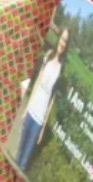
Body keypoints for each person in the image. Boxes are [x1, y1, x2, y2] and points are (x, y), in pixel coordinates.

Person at [15, 27, 69, 171]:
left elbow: (51, 100)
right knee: (17, 155)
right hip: (31, 111)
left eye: (66, 41)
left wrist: (43, 128)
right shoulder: (48, 55)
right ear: (59, 39)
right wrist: (26, 109)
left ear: (67, 45)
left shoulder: (62, 69)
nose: (62, 43)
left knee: (24, 162)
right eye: (62, 39)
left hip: (39, 120)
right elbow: (38, 81)